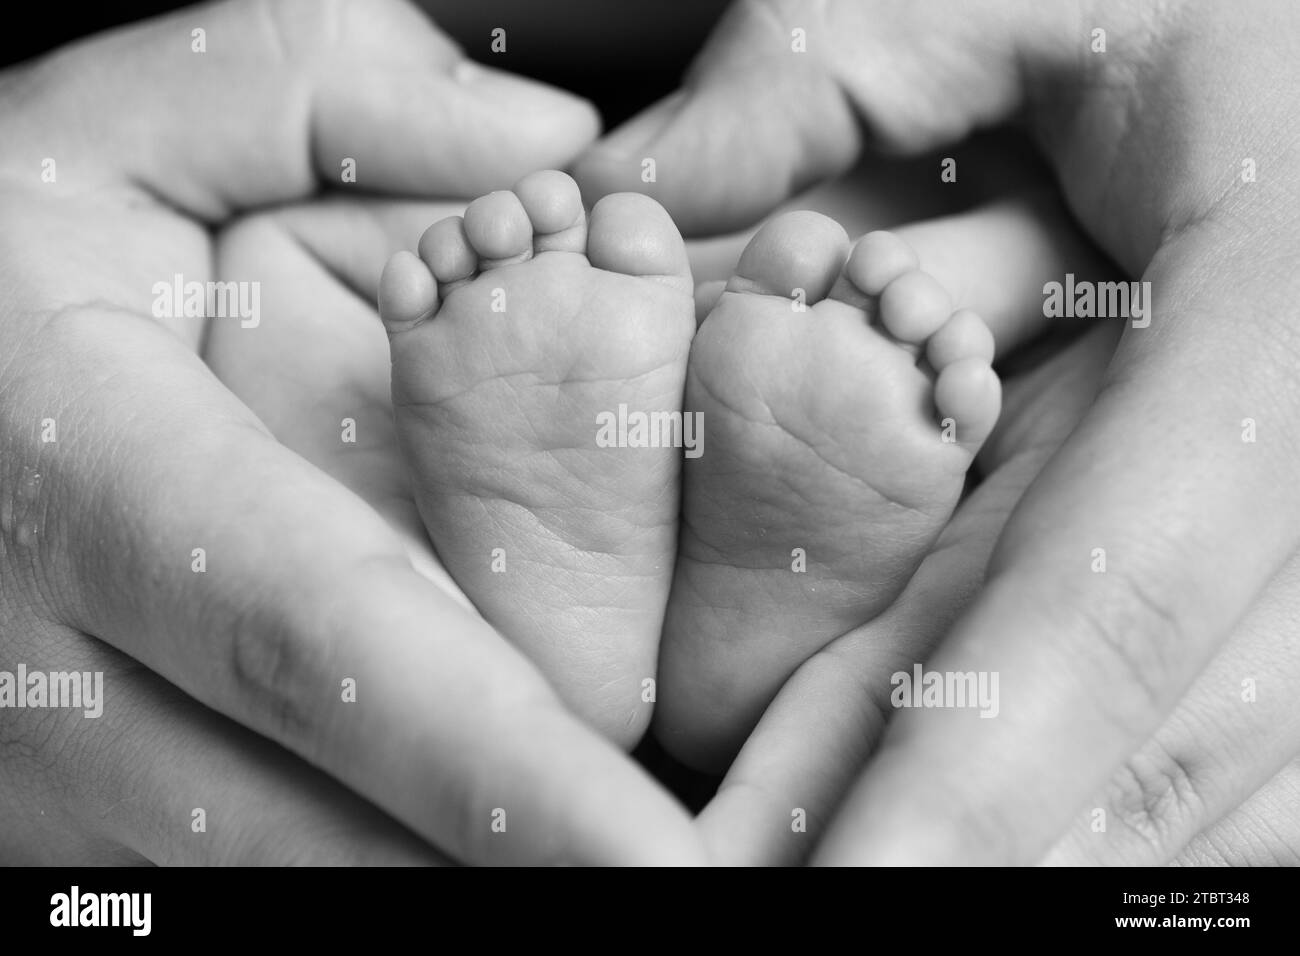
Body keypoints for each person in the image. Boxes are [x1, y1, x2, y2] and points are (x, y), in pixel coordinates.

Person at [574, 0, 1300, 864]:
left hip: (896, 168)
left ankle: (580, 603)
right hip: (1046, 208)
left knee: (859, 270)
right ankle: (694, 601)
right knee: (955, 283)